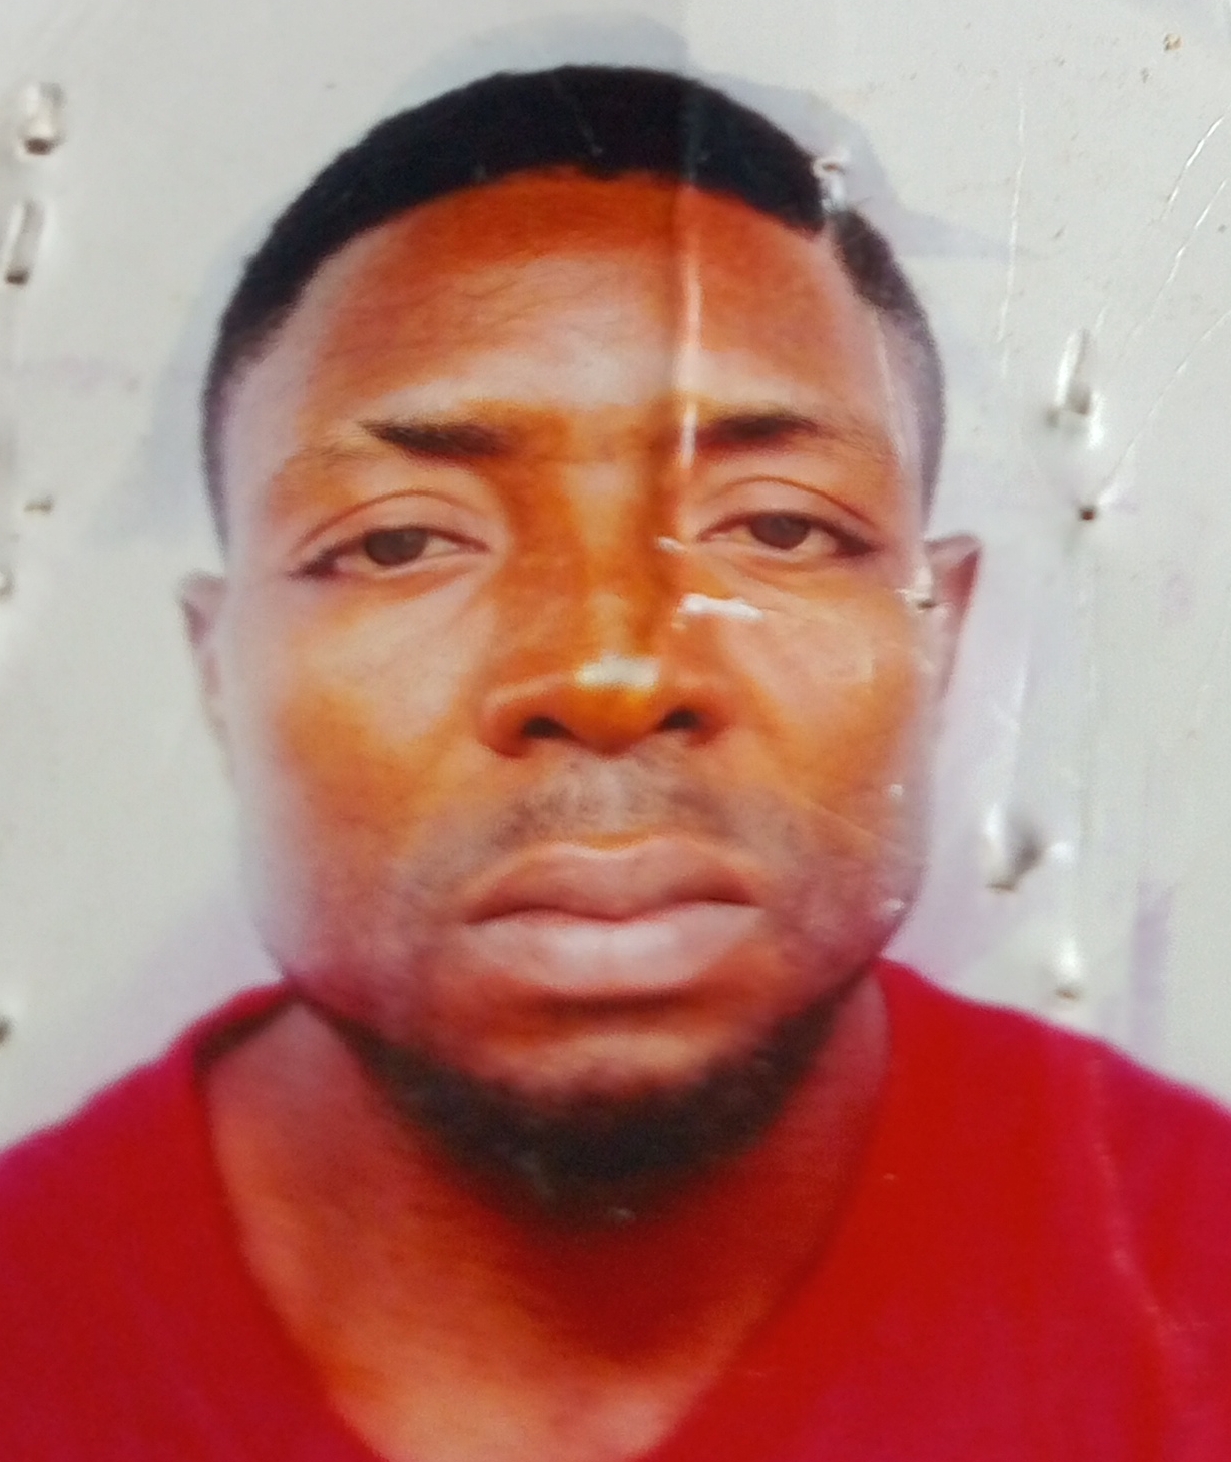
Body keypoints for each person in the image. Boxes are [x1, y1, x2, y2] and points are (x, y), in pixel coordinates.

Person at [1, 63, 1229, 1462]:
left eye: (777, 526)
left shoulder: (1192, 1283)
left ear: (936, 633)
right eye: (401, 539)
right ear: (219, 671)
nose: (609, 672)